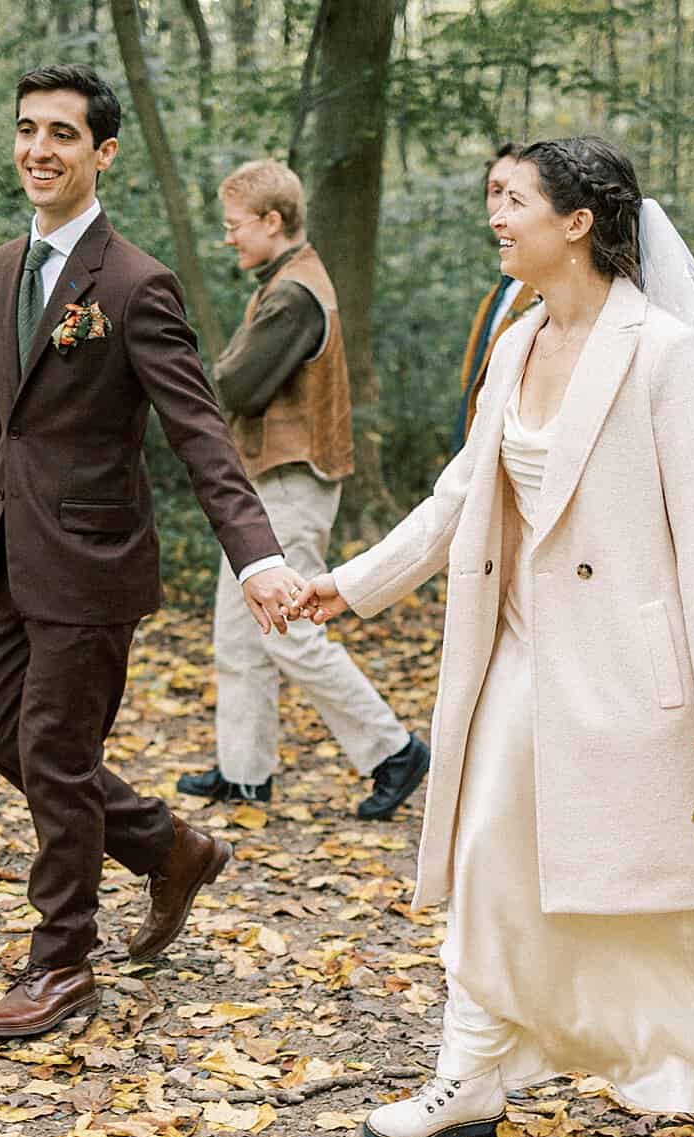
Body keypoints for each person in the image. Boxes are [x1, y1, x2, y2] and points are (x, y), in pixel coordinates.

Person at [294, 138, 694, 1137]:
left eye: (512, 200)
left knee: (660, 896)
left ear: (577, 221)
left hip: (634, 674)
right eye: (491, 197)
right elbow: (461, 494)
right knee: (488, 862)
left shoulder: (662, 352)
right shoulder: (516, 342)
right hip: (515, 660)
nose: (494, 216)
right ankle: (472, 1071)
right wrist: (347, 585)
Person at [0, 65, 306, 1039]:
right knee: (5, 743)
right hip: (16, 551)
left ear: (100, 154)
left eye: (61, 134)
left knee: (57, 753)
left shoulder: (133, 282)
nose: (38, 149)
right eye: (27, 129)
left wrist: (258, 557)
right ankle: (170, 849)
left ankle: (60, 962)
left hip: (95, 558)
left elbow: (199, 431)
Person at [175, 160, 428, 818]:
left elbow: (234, 386)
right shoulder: (283, 282)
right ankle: (244, 772)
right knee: (237, 634)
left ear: (272, 221)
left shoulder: (292, 295)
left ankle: (392, 750)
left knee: (288, 631)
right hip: (269, 484)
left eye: (235, 227)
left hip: (291, 484)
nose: (229, 239)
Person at [453, 142, 543, 450]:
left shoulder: (549, 295)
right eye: (496, 191)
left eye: (515, 196)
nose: (503, 206)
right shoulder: (495, 295)